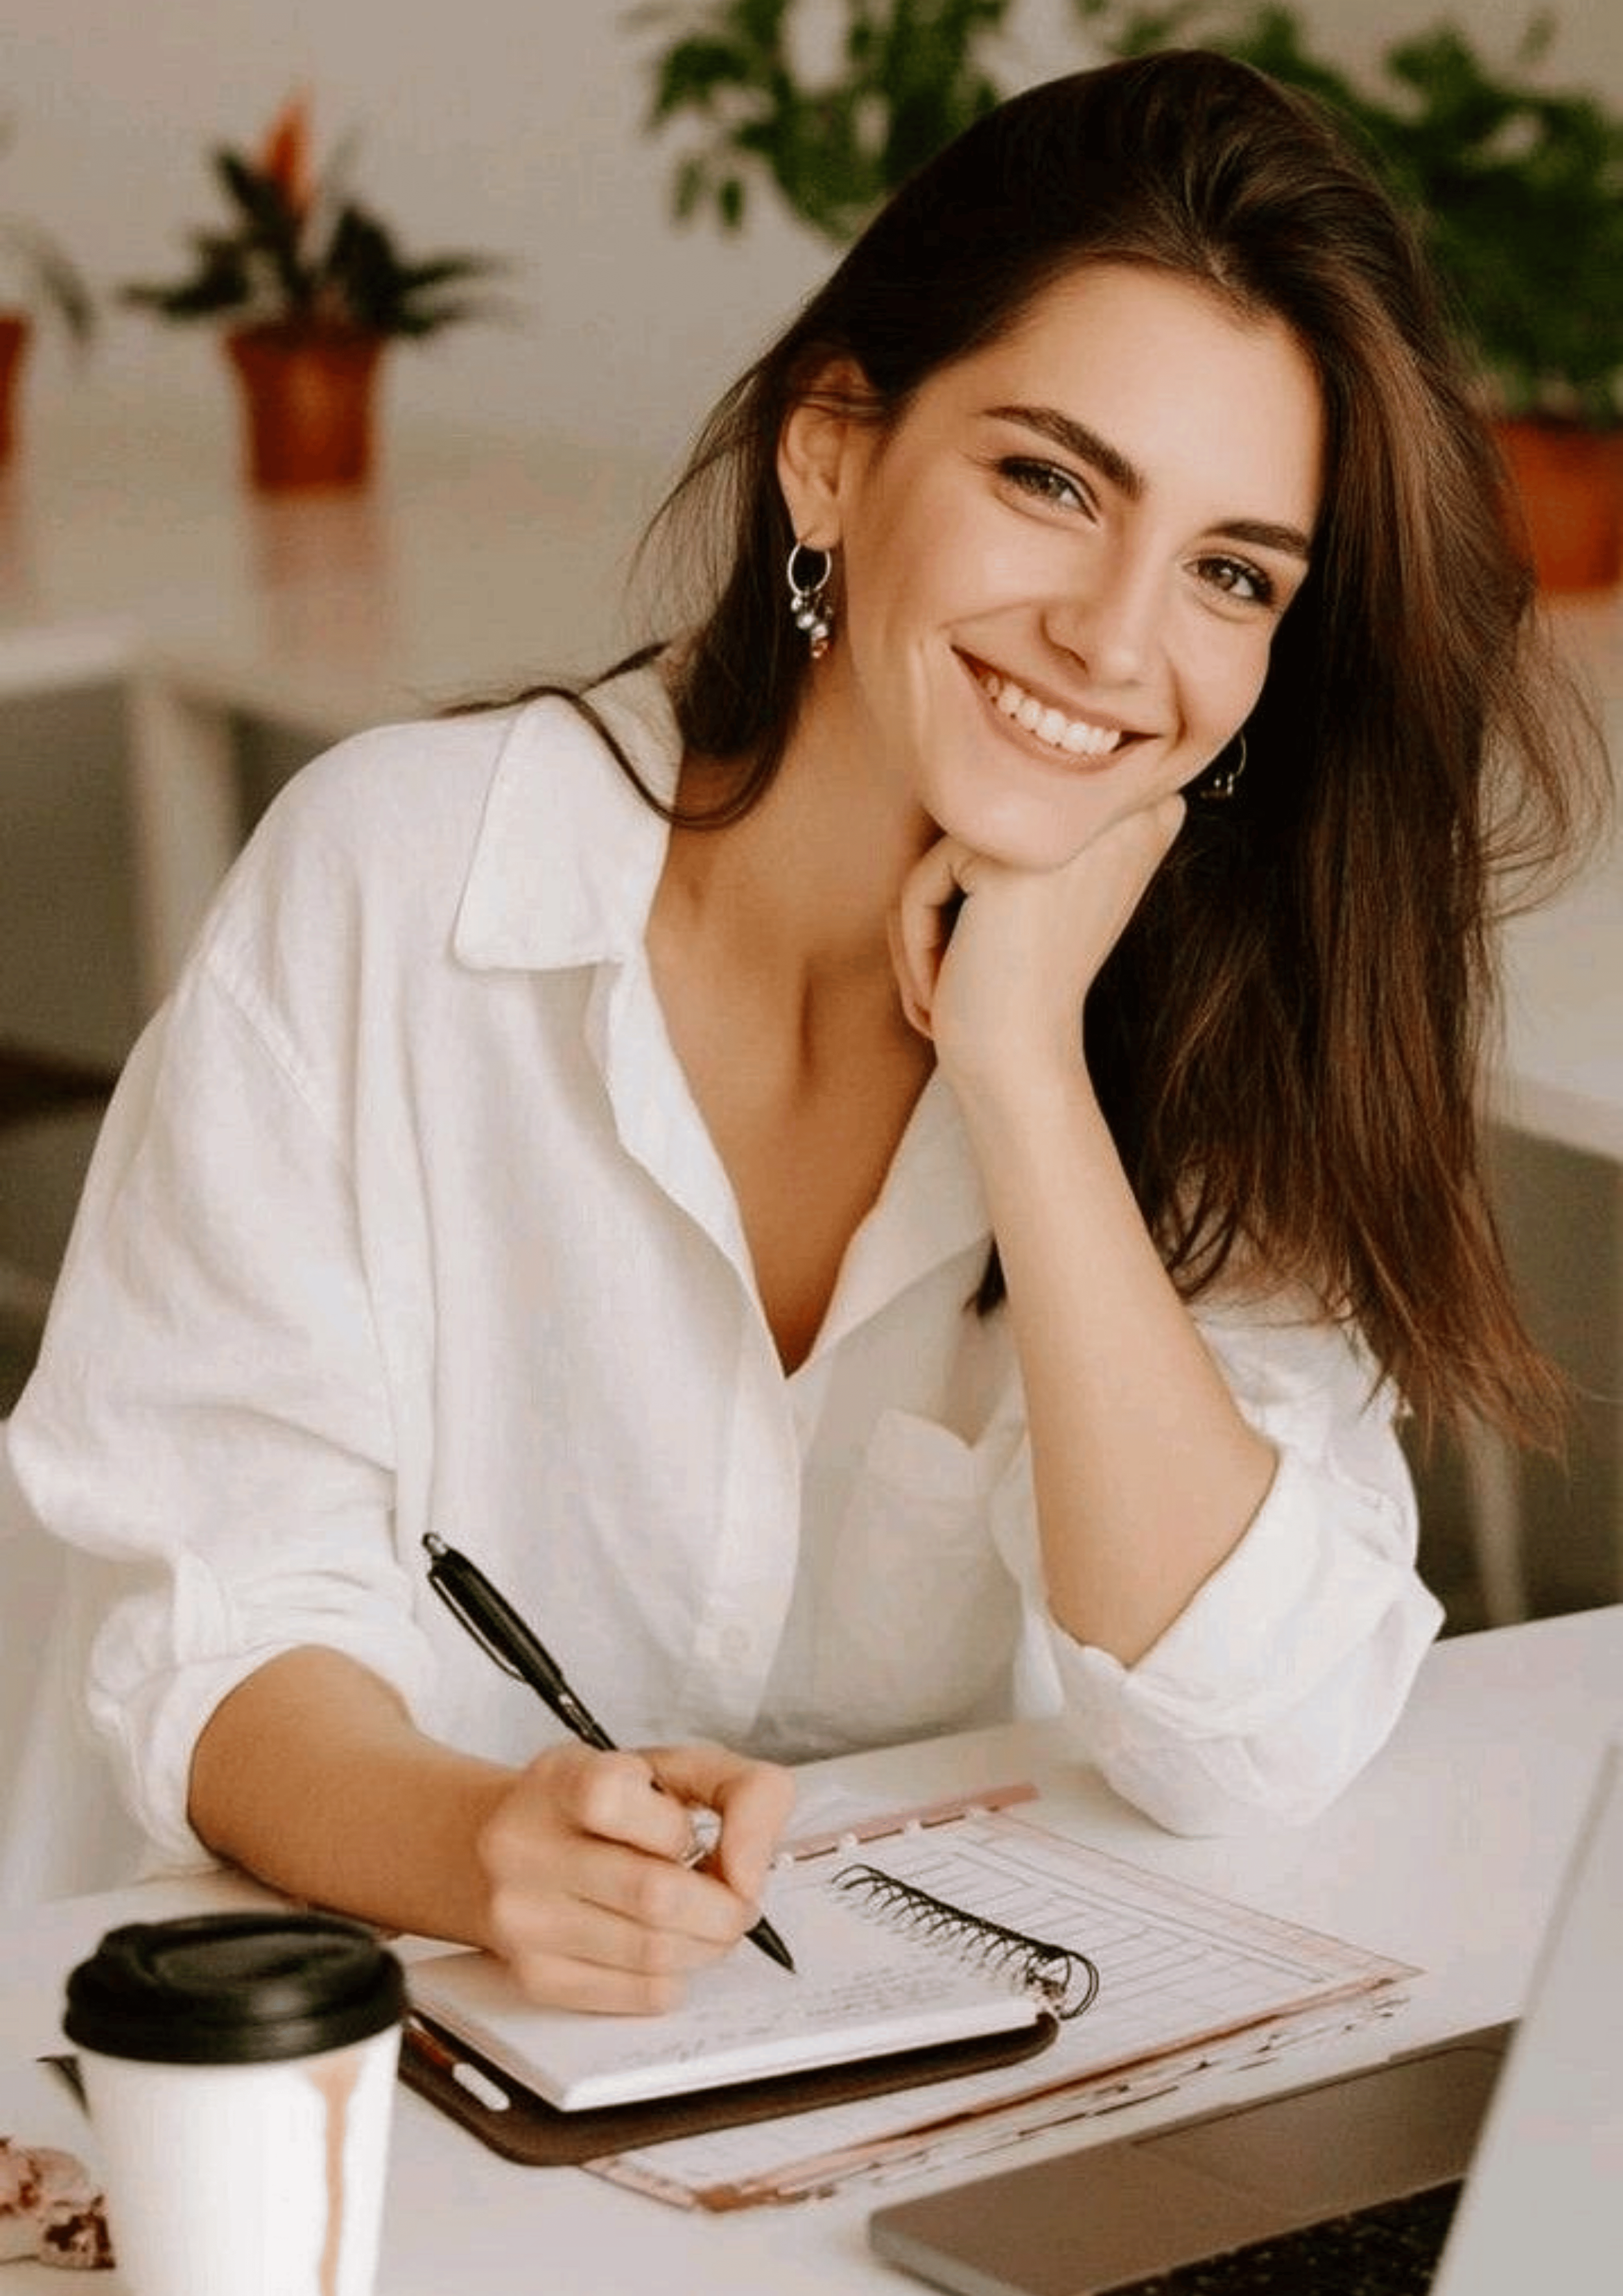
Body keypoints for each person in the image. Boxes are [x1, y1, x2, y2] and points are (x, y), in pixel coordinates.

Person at [5, 50, 1602, 2007]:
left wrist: (1023, 1071)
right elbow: (204, 1602)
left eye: (1229, 573)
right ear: (831, 452)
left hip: (925, 2102)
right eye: (1047, 479)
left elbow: (1252, 1728)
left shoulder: (1233, 1003)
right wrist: (472, 1848)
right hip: (331, 2070)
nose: (1116, 639)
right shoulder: (400, 879)